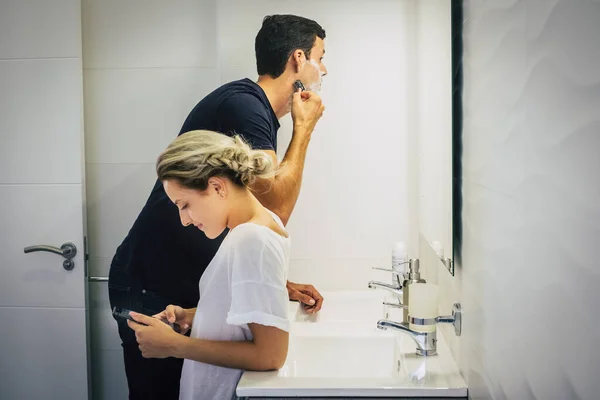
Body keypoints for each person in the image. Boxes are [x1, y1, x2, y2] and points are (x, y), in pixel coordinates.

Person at [108, 14, 327, 399]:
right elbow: (277, 208)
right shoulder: (245, 106)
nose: (324, 69)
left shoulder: (251, 111)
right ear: (297, 59)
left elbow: (262, 220)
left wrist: (266, 285)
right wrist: (304, 129)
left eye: (186, 204)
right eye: (320, 57)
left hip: (175, 281)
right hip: (151, 282)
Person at [128, 130, 291, 400]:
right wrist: (195, 315)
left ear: (217, 187)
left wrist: (175, 345)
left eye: (185, 205)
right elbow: (251, 312)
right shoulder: (261, 224)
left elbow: (270, 354)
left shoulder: (250, 238)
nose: (185, 220)